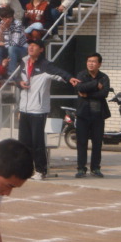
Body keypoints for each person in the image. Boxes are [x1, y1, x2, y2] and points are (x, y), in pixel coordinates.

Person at [17, 37, 78, 180]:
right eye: (29, 45)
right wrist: (19, 82)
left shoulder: (45, 65)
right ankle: (27, 169)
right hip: (24, 109)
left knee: (37, 142)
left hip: (38, 109)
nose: (31, 47)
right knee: (24, 142)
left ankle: (41, 170)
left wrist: (70, 78)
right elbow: (15, 77)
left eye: (34, 45)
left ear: (41, 49)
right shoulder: (24, 62)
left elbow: (59, 72)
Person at [74, 53, 111, 178]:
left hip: (98, 115)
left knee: (97, 143)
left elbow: (104, 93)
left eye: (94, 61)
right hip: (83, 114)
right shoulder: (81, 75)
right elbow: (79, 87)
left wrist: (87, 94)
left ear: (99, 64)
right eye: (89, 61)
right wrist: (95, 85)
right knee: (82, 142)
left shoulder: (104, 77)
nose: (91, 63)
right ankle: (81, 168)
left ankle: (95, 168)